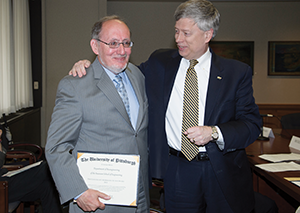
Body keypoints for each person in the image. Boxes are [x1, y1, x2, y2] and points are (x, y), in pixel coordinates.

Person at [69, 1, 278, 212]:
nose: (178, 39)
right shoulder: (160, 63)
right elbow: (120, 72)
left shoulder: (236, 72)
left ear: (208, 35)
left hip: (223, 171)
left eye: (186, 33)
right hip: (178, 170)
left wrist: (214, 132)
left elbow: (251, 124)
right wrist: (91, 65)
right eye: (176, 31)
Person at [45, 15, 149, 213]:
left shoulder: (137, 76)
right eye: (113, 43)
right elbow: (56, 147)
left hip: (140, 195)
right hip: (97, 202)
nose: (121, 50)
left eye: (126, 43)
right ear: (95, 46)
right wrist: (79, 192)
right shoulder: (75, 85)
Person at [0, 124, 62, 213]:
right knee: (45, 169)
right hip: (2, 185)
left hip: (5, 178)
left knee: (47, 186)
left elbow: (3, 155)